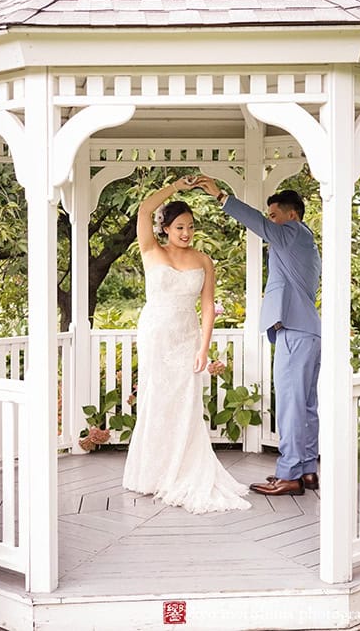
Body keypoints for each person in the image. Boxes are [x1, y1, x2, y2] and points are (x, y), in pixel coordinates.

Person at [122, 177, 251, 513]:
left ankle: (184, 468)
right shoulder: (151, 250)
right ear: (165, 228)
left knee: (186, 405)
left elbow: (208, 307)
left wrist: (203, 349)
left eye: (191, 227)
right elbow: (145, 208)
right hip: (156, 335)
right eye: (179, 227)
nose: (186, 233)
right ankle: (154, 473)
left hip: (187, 337)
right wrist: (176, 186)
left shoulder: (204, 261)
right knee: (157, 400)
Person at [197, 177, 321, 497]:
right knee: (305, 405)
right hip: (307, 331)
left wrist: (221, 196)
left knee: (292, 407)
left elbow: (256, 223)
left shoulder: (292, 234)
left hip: (294, 332)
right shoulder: (303, 242)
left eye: (274, 215)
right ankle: (307, 470)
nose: (269, 222)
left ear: (291, 216)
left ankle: (289, 475)